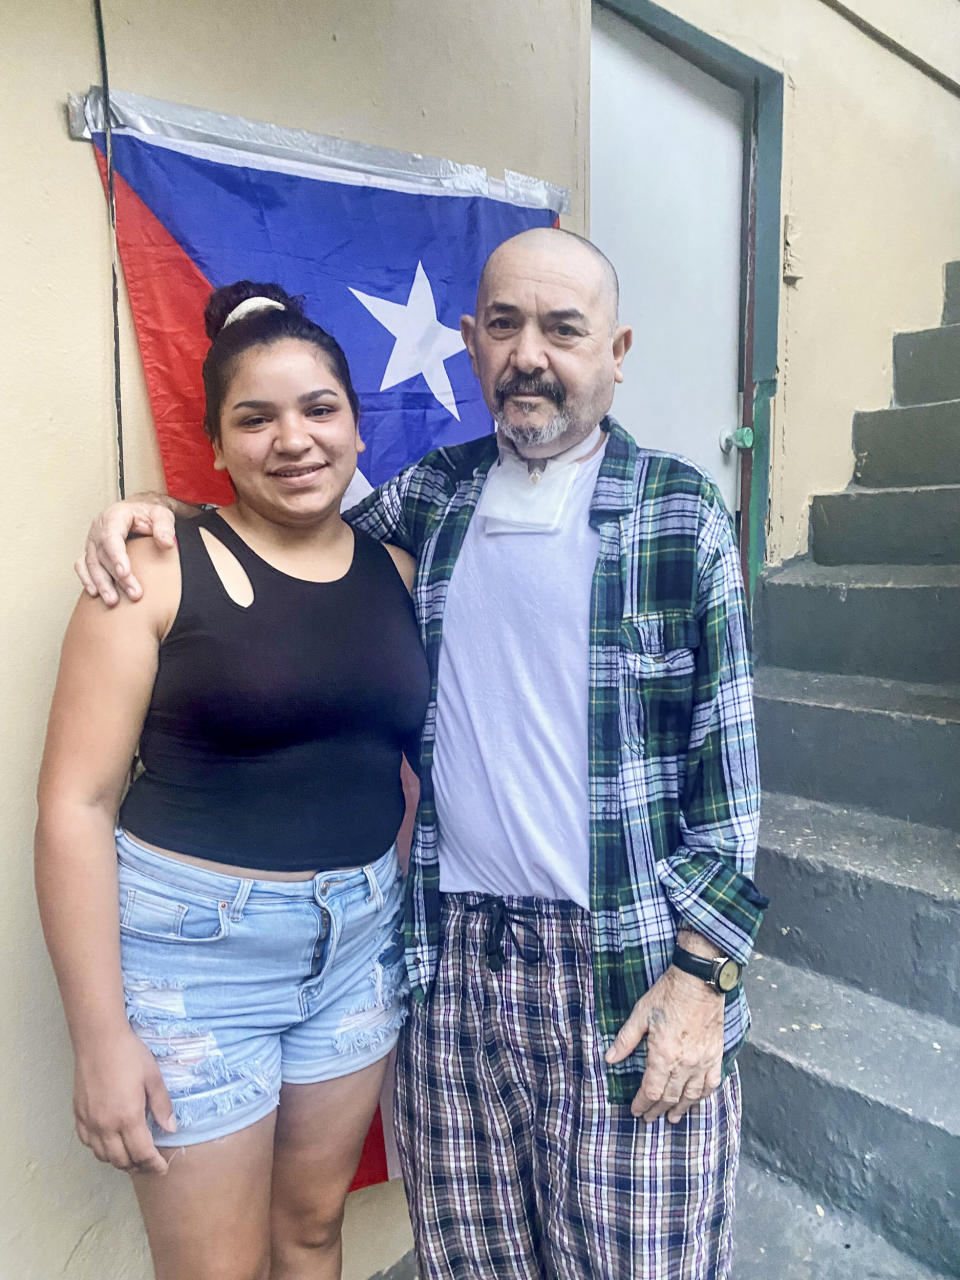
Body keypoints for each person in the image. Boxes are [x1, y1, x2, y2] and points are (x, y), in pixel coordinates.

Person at [77, 229, 766, 1280]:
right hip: (450, 967)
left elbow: (731, 775)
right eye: (504, 325)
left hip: (624, 967)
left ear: (616, 350)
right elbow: (290, 527)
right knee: (472, 1258)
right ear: (470, 341)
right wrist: (166, 516)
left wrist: (702, 979)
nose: (529, 353)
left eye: (563, 329)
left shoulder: (682, 515)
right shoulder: (433, 497)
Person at [38, 281, 430, 1280]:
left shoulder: (399, 568)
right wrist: (99, 1038)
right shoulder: (154, 567)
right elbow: (74, 806)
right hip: (194, 963)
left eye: (319, 409)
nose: (292, 439)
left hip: (356, 948)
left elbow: (406, 757)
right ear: (215, 443)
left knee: (311, 1232)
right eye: (254, 417)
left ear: (355, 423)